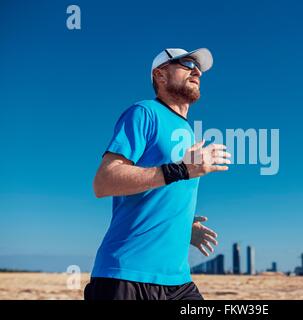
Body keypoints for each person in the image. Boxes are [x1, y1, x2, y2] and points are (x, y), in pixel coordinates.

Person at [84, 48, 231, 300]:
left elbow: (161, 193)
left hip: (178, 281)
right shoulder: (144, 112)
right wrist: (181, 169)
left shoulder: (186, 129)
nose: (196, 71)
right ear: (160, 75)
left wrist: (183, 228)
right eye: (186, 64)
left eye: (198, 67)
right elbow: (104, 181)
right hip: (126, 277)